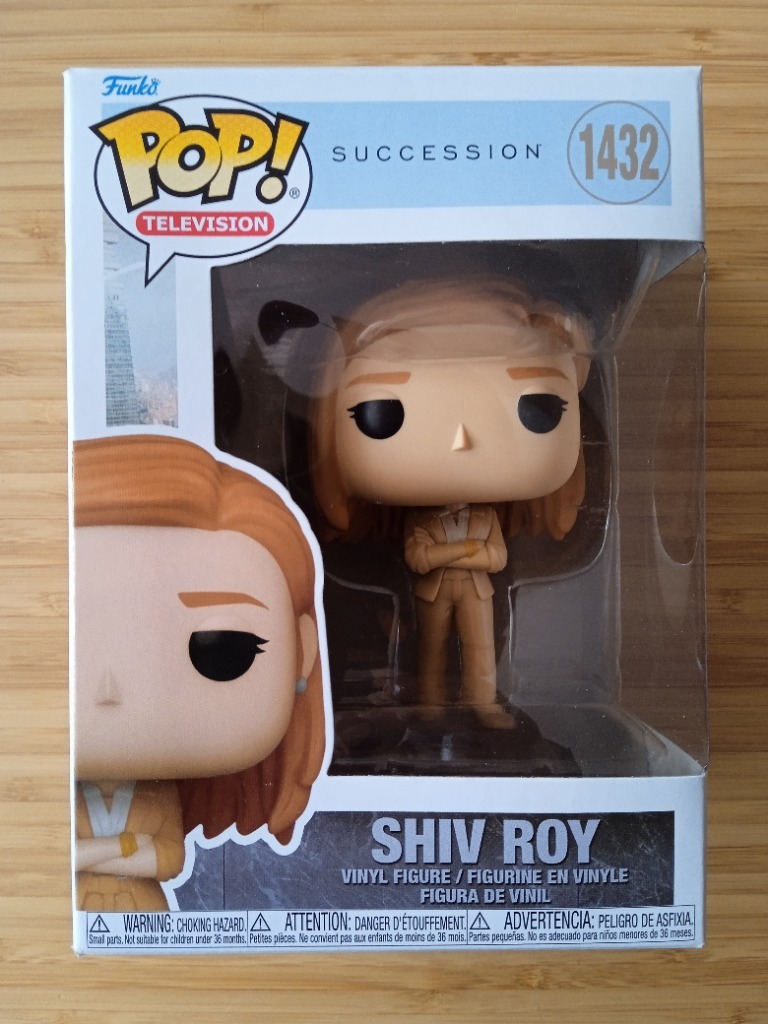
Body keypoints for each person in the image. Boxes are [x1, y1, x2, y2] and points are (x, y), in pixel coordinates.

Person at [310, 277, 590, 725]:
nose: (462, 441)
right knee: (432, 649)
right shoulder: (424, 521)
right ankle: (430, 703)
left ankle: (482, 701)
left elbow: (497, 558)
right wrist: (467, 551)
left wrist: (459, 553)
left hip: (478, 591)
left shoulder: (486, 518)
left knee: (480, 649)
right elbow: (419, 558)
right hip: (434, 591)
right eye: (382, 414)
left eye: (539, 408)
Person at [72, 434, 325, 911]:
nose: (109, 690)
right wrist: (124, 848)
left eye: (223, 649)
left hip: (147, 914)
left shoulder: (159, 799)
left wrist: (98, 854)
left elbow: (169, 859)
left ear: (303, 652)